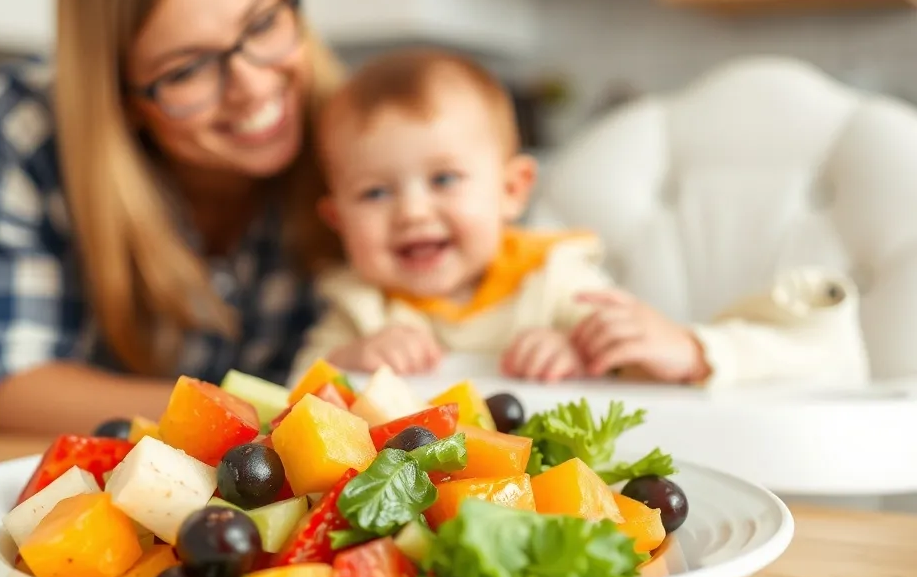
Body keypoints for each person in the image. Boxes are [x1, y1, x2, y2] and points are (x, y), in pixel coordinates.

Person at [0, 0, 343, 434]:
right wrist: (263, 418)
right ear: (122, 100)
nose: (254, 87)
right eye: (187, 70)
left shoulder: (361, 128)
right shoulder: (25, 125)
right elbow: (9, 388)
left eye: (263, 22)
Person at [291, 48, 871, 388]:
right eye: (374, 193)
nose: (412, 211)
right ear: (337, 219)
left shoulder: (558, 283)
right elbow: (294, 401)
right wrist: (349, 363)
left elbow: (642, 386)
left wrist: (585, 360)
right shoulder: (360, 309)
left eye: (444, 180)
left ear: (513, 190)